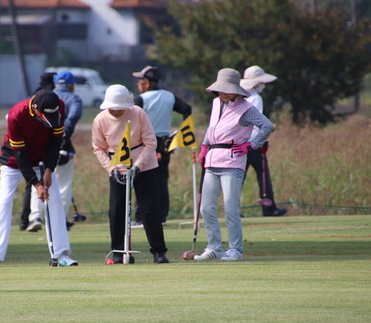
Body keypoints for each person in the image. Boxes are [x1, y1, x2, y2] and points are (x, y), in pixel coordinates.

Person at [0, 88, 78, 268]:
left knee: (55, 200)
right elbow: (20, 154)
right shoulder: (17, 114)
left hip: (42, 159)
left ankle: (62, 253)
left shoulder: (59, 106)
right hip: (14, 160)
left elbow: (56, 141)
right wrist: (36, 184)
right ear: (35, 107)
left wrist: (49, 169)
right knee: (4, 200)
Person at [194, 69, 274, 262]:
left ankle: (235, 249)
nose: (222, 93)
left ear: (237, 90)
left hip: (233, 160)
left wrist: (251, 145)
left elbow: (267, 126)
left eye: (227, 90)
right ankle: (214, 247)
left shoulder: (247, 108)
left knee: (230, 207)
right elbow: (212, 127)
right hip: (212, 159)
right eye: (220, 89)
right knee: (206, 208)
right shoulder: (215, 103)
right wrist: (204, 147)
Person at [92, 84, 169, 264]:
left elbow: (150, 143)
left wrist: (137, 166)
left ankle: (159, 251)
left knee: (149, 209)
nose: (117, 112)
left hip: (145, 164)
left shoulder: (139, 113)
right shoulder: (99, 120)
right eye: (113, 108)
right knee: (116, 210)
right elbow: (98, 148)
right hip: (117, 165)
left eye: (120, 108)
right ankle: (119, 251)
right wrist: (111, 169)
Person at [131, 66, 192, 226]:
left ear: (148, 83)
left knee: (142, 180)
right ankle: (162, 216)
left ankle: (141, 217)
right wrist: (180, 133)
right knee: (161, 180)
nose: (138, 83)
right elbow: (187, 109)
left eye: (141, 80)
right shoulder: (169, 96)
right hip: (165, 143)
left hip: (144, 143)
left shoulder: (141, 99)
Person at [26, 71, 83, 233]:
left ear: (56, 83)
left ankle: (36, 216)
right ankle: (58, 221)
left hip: (39, 146)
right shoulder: (75, 99)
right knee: (63, 186)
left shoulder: (42, 96)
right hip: (63, 146)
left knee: (37, 182)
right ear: (71, 85)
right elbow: (71, 120)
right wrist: (63, 139)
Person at [240, 65, 287, 217]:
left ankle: (232, 209)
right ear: (256, 83)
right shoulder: (255, 98)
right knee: (262, 173)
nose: (263, 85)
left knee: (238, 176)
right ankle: (269, 208)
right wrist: (261, 141)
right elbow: (257, 124)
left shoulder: (238, 95)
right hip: (253, 143)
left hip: (238, 142)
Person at [19, 72, 56, 231]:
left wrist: (49, 169)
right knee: (35, 184)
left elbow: (56, 137)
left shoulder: (53, 100)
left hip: (43, 151)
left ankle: (27, 219)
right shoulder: (22, 111)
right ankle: (33, 217)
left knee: (33, 185)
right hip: (28, 151)